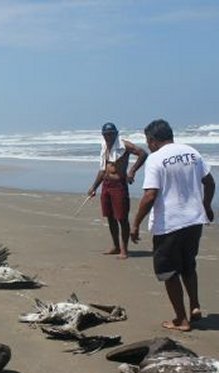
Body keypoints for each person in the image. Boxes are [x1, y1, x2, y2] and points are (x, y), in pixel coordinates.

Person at [131, 119, 215, 332]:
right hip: (194, 220)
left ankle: (181, 319)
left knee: (168, 271)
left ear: (152, 140)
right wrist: (206, 205)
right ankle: (194, 305)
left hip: (170, 223)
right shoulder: (192, 153)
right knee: (188, 265)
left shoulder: (156, 159)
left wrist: (135, 223)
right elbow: (210, 182)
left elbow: (150, 195)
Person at [88, 122, 148, 259]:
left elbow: (143, 154)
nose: (108, 137)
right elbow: (103, 169)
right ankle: (115, 246)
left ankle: (124, 250)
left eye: (110, 134)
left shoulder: (124, 145)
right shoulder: (104, 146)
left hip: (118, 185)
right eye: (105, 134)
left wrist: (132, 171)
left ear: (116, 133)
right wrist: (94, 187)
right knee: (110, 217)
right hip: (106, 184)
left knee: (121, 217)